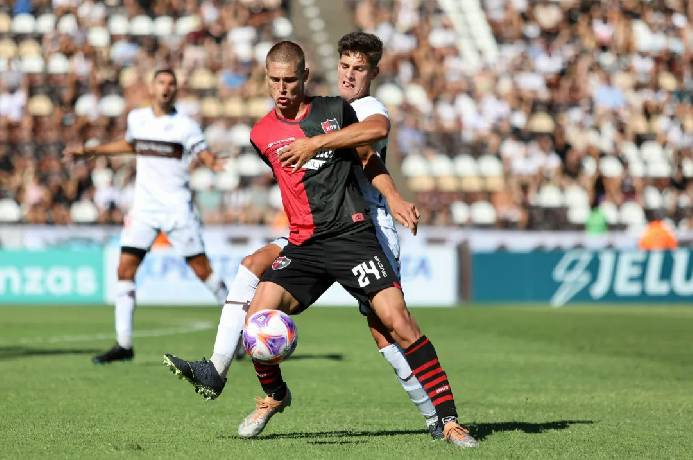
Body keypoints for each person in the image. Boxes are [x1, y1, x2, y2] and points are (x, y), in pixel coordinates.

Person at [162, 33, 445, 439]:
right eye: (345, 66)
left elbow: (367, 156)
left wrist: (394, 197)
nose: (349, 75)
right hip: (314, 232)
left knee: (385, 330)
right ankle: (225, 372)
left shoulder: (364, 109)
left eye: (358, 69)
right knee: (252, 270)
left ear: (373, 74)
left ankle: (434, 415)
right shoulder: (309, 115)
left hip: (369, 226)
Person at [242, 40, 477, 448]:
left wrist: (393, 196)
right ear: (266, 79)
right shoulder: (260, 134)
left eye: (289, 80)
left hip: (354, 235)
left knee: (395, 323)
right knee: (258, 317)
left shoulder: (338, 111)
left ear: (304, 78)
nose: (282, 88)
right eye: (274, 80)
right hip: (305, 243)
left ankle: (448, 419)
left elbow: (369, 154)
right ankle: (275, 395)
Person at [63, 69, 229, 364]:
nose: (166, 88)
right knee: (124, 270)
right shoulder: (137, 119)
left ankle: (238, 329)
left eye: (171, 83)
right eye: (161, 83)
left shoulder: (186, 126)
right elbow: (130, 145)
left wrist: (212, 162)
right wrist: (91, 151)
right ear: (152, 87)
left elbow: (202, 153)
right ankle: (124, 344)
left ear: (177, 89)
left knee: (203, 271)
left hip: (177, 209)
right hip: (144, 208)